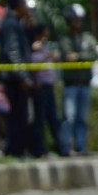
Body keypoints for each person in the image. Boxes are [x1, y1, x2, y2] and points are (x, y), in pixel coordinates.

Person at [58, 3, 97, 155]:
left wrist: (79, 56)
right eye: (74, 20)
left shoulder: (88, 38)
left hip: (85, 83)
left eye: (80, 20)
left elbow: (93, 54)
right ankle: (66, 148)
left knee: (82, 118)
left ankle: (81, 147)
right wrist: (80, 56)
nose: (77, 23)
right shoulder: (64, 39)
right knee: (69, 117)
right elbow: (67, 55)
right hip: (71, 84)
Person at [0, 0, 33, 157]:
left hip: (15, 77)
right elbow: (12, 52)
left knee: (19, 116)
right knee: (19, 116)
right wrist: (23, 76)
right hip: (14, 79)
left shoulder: (16, 23)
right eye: (24, 4)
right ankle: (16, 151)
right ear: (19, 5)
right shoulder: (11, 24)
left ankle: (17, 149)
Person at [30, 23, 67, 157]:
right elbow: (34, 67)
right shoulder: (33, 47)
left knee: (54, 118)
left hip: (49, 86)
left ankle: (62, 148)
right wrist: (47, 56)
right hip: (40, 87)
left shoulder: (46, 48)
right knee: (39, 119)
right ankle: (40, 150)